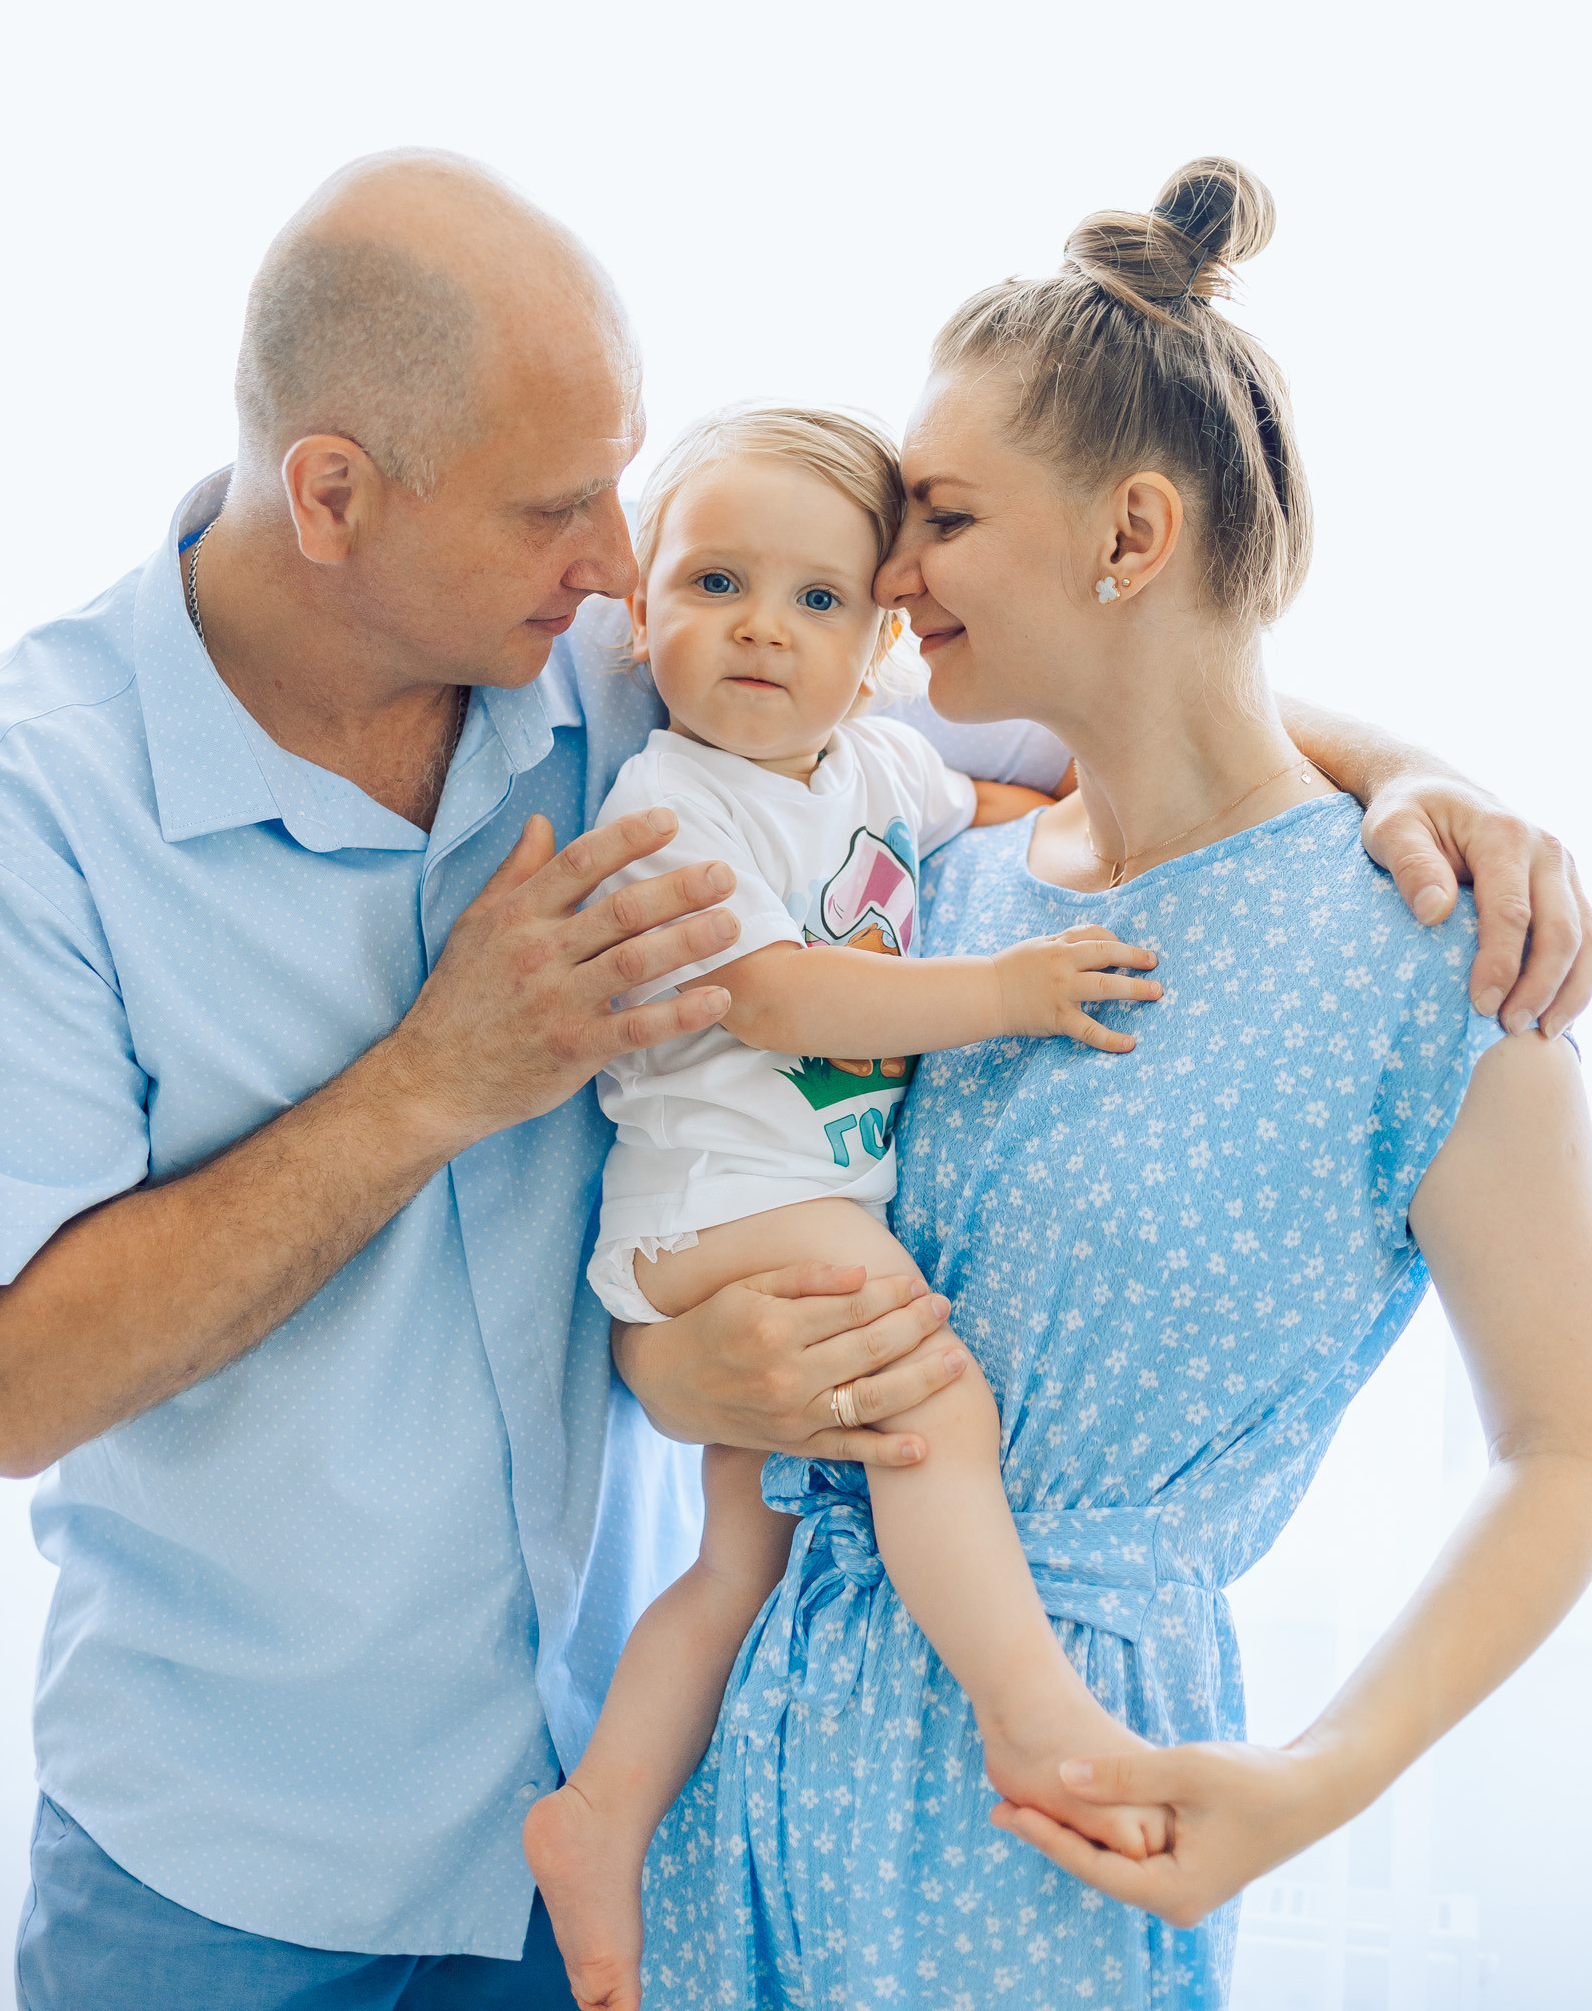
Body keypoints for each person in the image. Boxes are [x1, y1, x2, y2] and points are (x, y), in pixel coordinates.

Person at [0, 150, 1582, 2009]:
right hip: (238, 1866)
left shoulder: (635, 672)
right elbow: (18, 1389)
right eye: (559, 509)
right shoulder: (51, 808)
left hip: (645, 1795)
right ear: (335, 494)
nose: (616, 558)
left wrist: (1426, 784)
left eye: (625, 490)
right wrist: (437, 1082)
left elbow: (1103, 697)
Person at [629, 159, 1592, 2009]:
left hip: (1054, 1820)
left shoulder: (1433, 957)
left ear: (1129, 538)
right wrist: (668, 1369)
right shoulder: (929, 884)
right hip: (749, 1780)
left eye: (944, 518)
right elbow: (729, 1184)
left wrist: (1321, 1781)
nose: (888, 580)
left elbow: (1562, 1449)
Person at [524, 404, 1169, 2010]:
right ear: (641, 609)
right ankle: (1030, 1706)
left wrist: (1112, 838)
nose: (761, 627)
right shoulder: (667, 798)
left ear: (882, 637)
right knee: (926, 1393)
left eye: (817, 600)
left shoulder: (881, 760)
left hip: (780, 1199)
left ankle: (600, 1816)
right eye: (715, 582)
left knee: (737, 1562)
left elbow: (1022, 805)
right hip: (718, 1200)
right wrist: (1008, 988)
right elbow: (771, 999)